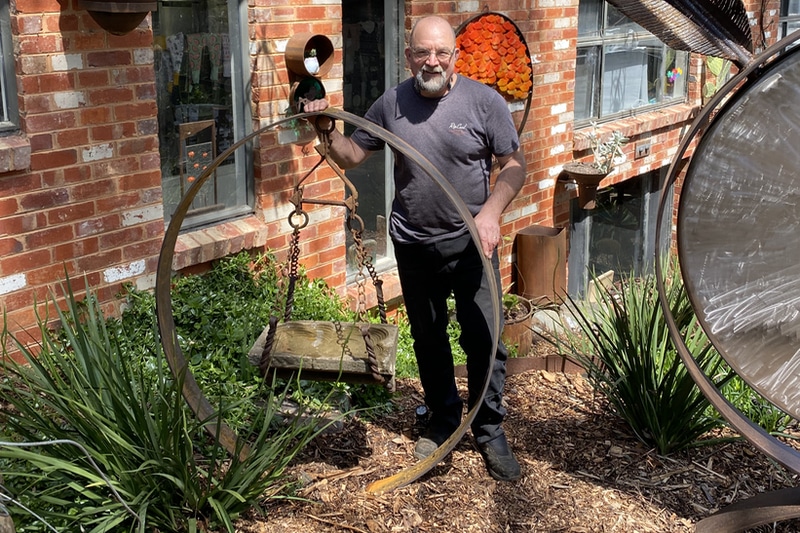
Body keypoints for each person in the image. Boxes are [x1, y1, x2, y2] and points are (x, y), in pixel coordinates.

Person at [304, 15, 526, 482]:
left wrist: (491, 212)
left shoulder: (485, 103)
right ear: (408, 57)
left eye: (441, 52)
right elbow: (351, 154)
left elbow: (513, 166)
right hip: (412, 242)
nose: (432, 61)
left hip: (471, 244)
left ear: (455, 56)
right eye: (423, 52)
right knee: (428, 338)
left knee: (484, 337)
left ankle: (488, 429)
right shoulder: (392, 103)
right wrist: (324, 128)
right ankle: (444, 420)